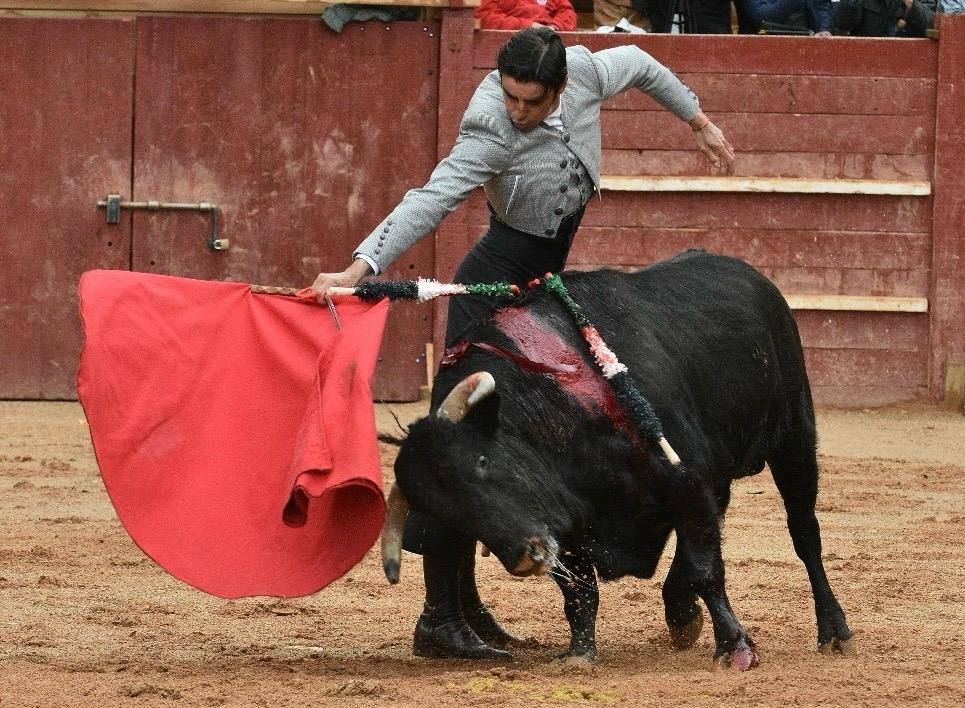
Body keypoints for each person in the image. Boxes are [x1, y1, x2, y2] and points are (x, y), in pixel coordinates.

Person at [308, 27, 735, 660]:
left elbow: (644, 62)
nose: (517, 112)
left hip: (540, 287)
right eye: (509, 96)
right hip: (492, 289)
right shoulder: (489, 126)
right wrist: (357, 271)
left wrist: (697, 119)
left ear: (561, 89)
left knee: (511, 448)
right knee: (460, 450)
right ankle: (439, 617)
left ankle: (467, 608)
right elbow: (432, 199)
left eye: (530, 102)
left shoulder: (588, 73)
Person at [832, 0, 937, 36]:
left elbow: (931, 23)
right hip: (866, 59)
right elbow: (842, 24)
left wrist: (910, 3)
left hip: (905, 61)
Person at [733, 0, 834, 33]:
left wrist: (824, 29)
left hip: (809, 49)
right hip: (764, 52)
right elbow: (763, 18)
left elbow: (822, 5)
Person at [476, 0, 578, 31]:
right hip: (511, 47)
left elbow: (567, 12)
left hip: (551, 44)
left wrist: (554, 27)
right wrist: (529, 26)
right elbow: (485, 17)